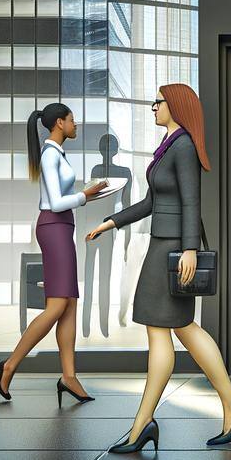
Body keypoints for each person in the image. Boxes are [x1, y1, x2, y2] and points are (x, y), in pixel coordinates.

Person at [85, 83, 231, 453]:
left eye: (158, 102)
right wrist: (111, 222)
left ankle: (143, 424)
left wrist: (189, 249)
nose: (153, 107)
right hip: (163, 246)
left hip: (174, 250)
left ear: (175, 105)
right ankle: (230, 407)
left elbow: (192, 201)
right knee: (183, 330)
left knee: (167, 331)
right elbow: (150, 202)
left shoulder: (184, 147)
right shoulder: (169, 146)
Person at [0, 103, 107, 403]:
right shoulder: (49, 155)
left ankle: (69, 377)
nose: (75, 124)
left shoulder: (56, 153)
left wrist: (88, 195)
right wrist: (87, 194)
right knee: (57, 305)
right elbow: (56, 202)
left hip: (62, 228)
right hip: (54, 227)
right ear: (59, 123)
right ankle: (9, 365)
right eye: (72, 120)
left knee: (69, 303)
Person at [81, 133, 132, 338]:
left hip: (107, 226)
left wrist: (127, 239)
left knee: (103, 276)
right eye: (105, 145)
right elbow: (90, 200)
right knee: (93, 276)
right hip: (95, 227)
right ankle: (88, 325)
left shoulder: (121, 172)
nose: (108, 149)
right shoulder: (97, 170)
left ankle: (102, 326)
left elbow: (127, 205)